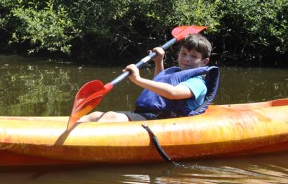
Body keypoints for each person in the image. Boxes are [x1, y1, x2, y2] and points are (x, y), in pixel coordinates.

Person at [78, 33, 216, 122]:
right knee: (96, 115)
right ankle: (63, 133)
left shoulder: (197, 83)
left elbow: (172, 93)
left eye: (193, 56)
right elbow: (159, 83)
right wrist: (159, 62)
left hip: (162, 119)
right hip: (149, 114)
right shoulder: (174, 71)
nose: (186, 59)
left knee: (110, 117)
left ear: (204, 62)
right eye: (184, 53)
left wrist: (138, 80)